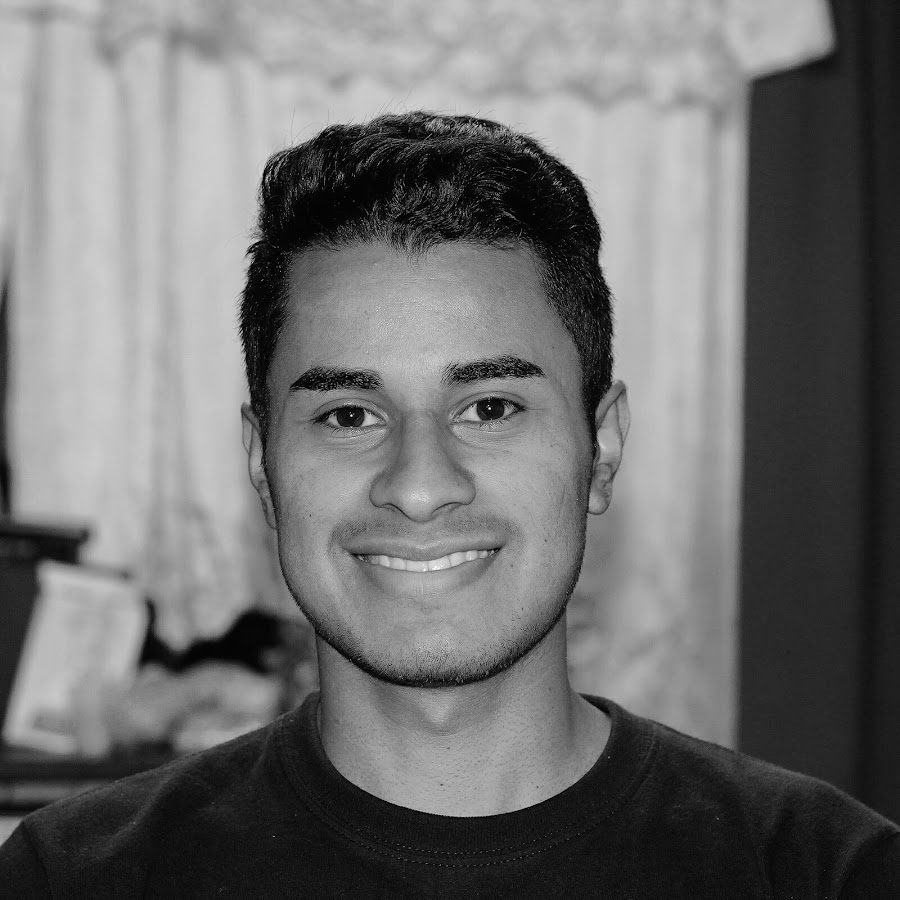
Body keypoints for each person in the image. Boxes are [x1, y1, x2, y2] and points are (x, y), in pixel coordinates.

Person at [1, 111, 897, 898]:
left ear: (602, 447)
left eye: (491, 408)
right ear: (261, 464)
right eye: (348, 415)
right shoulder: (69, 878)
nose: (421, 486)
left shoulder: (831, 874)